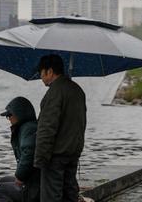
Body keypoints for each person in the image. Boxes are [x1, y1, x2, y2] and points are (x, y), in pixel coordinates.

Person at [34, 54, 86, 202]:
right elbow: (80, 122)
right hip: (73, 152)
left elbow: (47, 128)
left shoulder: (55, 92)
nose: (41, 78)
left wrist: (40, 159)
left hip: (55, 155)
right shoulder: (77, 90)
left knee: (52, 196)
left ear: (50, 71)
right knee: (69, 193)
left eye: (41, 73)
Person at [0, 96, 40, 202]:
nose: (9, 119)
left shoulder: (28, 129)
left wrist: (20, 177)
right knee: (3, 180)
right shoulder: (27, 127)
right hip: (34, 181)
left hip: (34, 189)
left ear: (19, 114)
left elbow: (29, 152)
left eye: (9, 115)